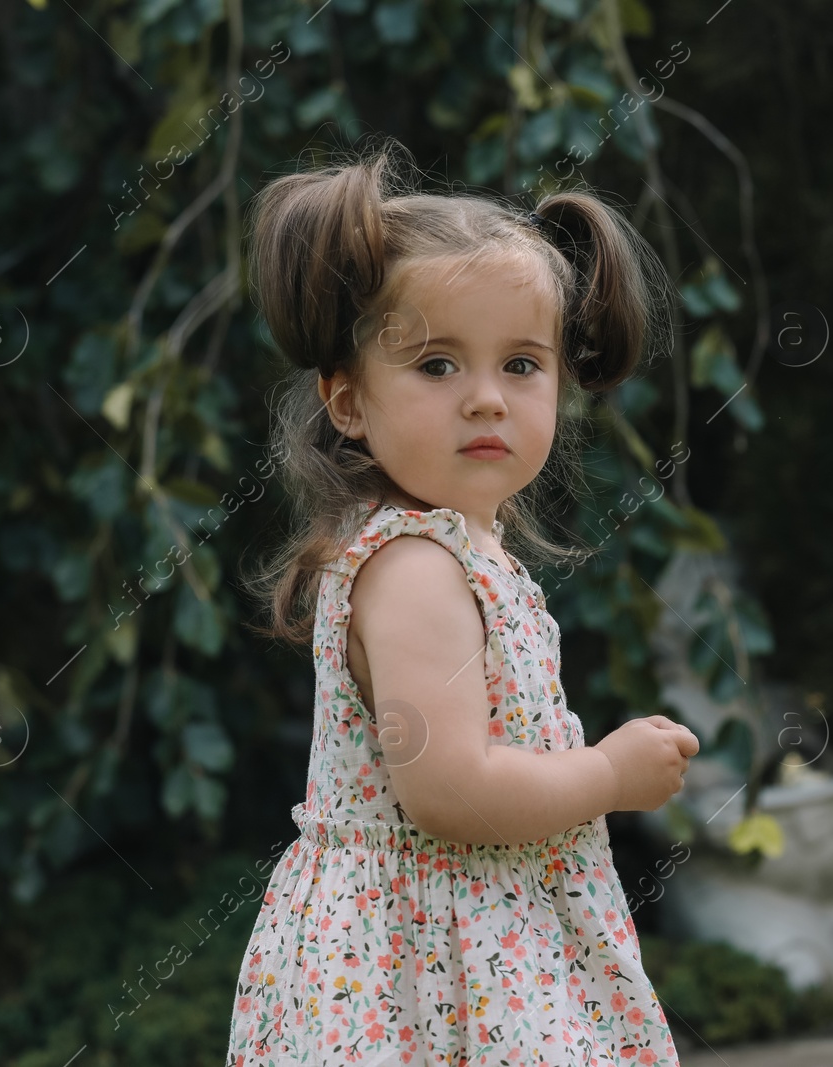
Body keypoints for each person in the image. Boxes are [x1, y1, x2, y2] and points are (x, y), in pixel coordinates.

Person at [228, 141, 700, 1067]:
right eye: (438, 365)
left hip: (480, 940)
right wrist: (605, 775)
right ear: (349, 400)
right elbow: (449, 790)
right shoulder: (413, 567)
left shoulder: (465, 554)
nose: (486, 399)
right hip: (420, 967)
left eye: (521, 365)